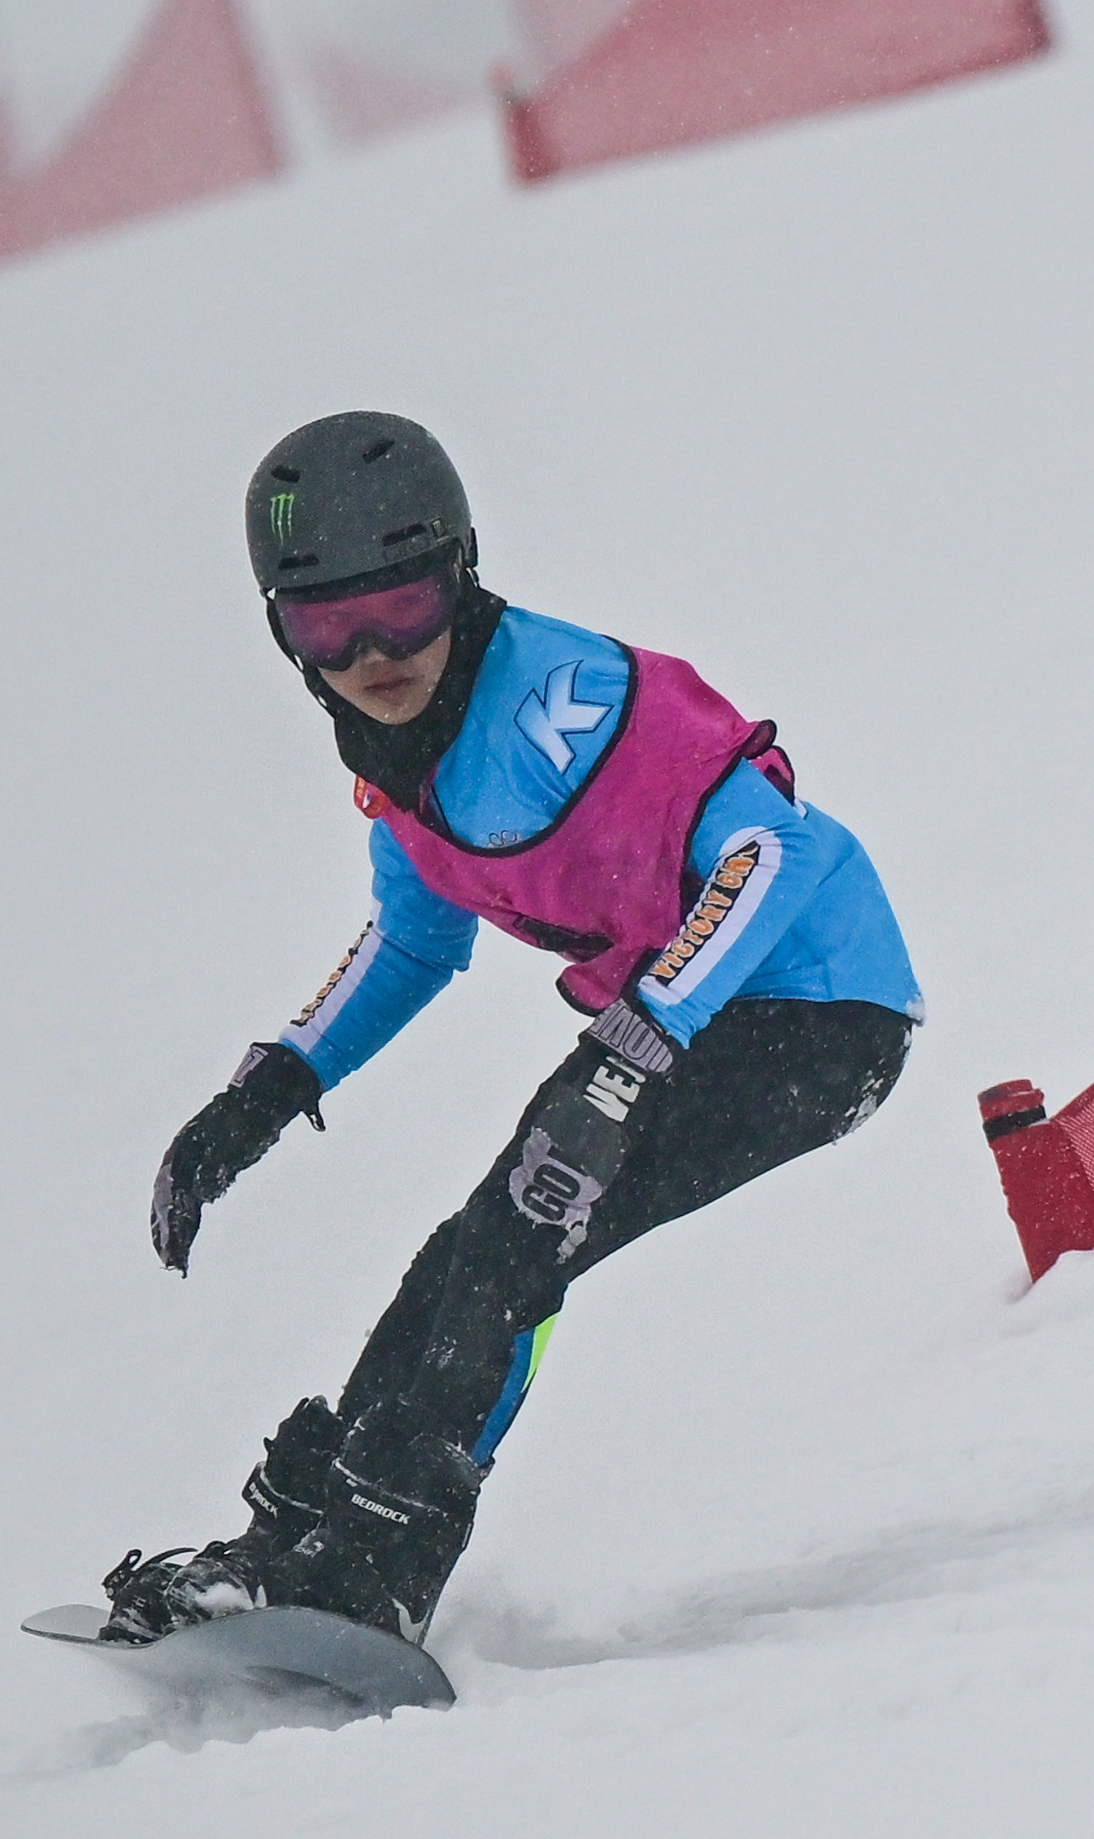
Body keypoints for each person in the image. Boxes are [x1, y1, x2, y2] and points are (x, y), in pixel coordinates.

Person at [97, 411, 921, 1647]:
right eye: (329, 623)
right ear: (283, 631)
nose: (375, 651)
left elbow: (768, 846)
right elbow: (416, 937)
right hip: (688, 1017)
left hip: (820, 1013)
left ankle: (382, 1560)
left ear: (461, 578)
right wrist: (267, 1088)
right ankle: (301, 1537)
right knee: (474, 1246)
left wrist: (635, 1046)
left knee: (517, 1238)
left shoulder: (560, 706)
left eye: (407, 606)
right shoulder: (403, 755)